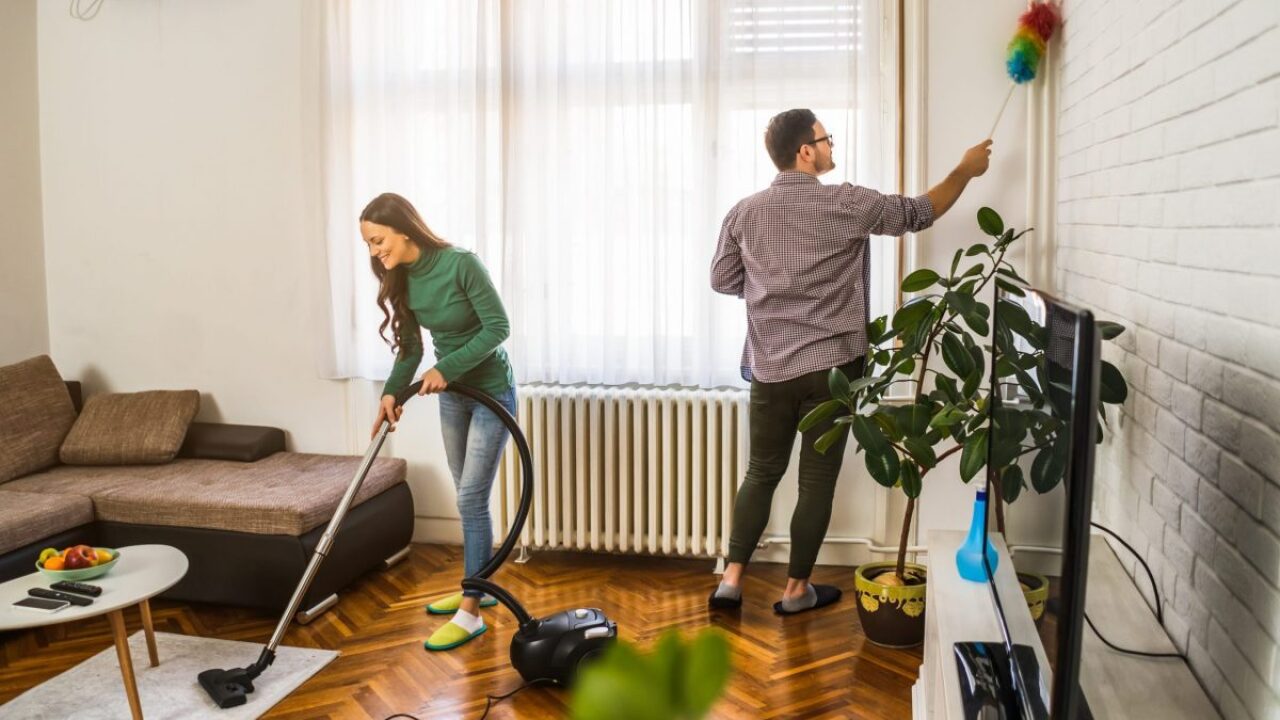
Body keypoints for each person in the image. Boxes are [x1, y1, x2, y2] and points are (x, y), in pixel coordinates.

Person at [708, 109, 991, 614]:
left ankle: (731, 580)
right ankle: (795, 592)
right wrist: (964, 171)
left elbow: (723, 280)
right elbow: (920, 211)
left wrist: (773, 291)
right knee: (814, 481)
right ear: (805, 151)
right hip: (833, 372)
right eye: (826, 139)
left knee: (760, 472)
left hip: (771, 369)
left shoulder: (744, 212)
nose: (831, 147)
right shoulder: (847, 203)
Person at [361, 192, 516, 650]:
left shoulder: (460, 264)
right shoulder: (401, 278)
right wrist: (392, 390)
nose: (374, 251)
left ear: (404, 229)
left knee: (470, 497)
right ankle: (479, 587)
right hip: (454, 398)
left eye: (378, 240)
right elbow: (410, 349)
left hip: (490, 392)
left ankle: (471, 612)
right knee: (467, 497)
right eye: (369, 244)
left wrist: (446, 368)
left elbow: (498, 327)